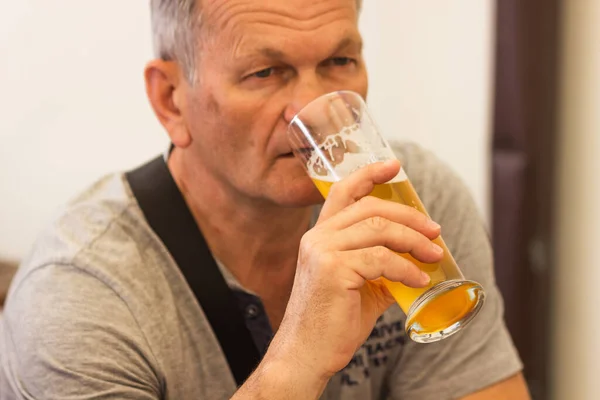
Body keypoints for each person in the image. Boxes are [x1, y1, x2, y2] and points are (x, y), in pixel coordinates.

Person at [0, 0, 530, 399]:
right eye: (265, 72)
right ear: (171, 100)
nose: (310, 108)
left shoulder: (414, 199)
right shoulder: (79, 291)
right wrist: (296, 361)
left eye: (339, 60)